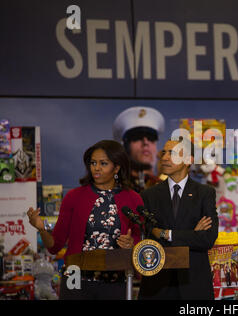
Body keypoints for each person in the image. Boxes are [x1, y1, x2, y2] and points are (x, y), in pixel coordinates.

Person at [27, 140, 144, 300]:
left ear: (117, 167)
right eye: (93, 163)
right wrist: (41, 229)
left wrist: (131, 245)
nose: (96, 168)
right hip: (76, 278)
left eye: (103, 163)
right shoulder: (74, 197)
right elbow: (55, 246)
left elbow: (141, 245)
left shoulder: (133, 198)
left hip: (115, 282)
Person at [138, 138, 219, 300]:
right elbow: (150, 238)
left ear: (188, 160)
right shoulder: (149, 195)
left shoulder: (204, 193)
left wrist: (166, 234)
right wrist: (191, 234)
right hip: (157, 284)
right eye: (164, 153)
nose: (165, 158)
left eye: (172, 153)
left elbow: (207, 239)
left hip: (193, 283)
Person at [113, 106, 165, 193]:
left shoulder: (167, 188)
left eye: (151, 137)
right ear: (125, 146)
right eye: (136, 137)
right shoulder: (114, 188)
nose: (145, 142)